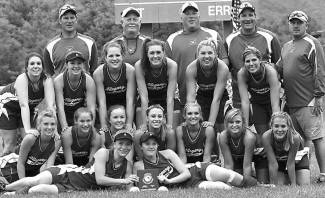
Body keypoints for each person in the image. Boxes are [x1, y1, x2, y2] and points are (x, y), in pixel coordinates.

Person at [0, 129, 138, 195]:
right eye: (121, 143)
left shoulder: (128, 164)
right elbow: (100, 179)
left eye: (127, 144)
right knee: (34, 181)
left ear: (131, 146)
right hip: (68, 173)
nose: (124, 147)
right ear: (114, 143)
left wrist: (133, 187)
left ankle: (15, 193)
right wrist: (123, 181)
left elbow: (128, 185)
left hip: (75, 188)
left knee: (35, 190)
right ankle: (4, 188)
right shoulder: (104, 153)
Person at [276, 10, 325, 182]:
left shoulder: (312, 43)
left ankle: (323, 174)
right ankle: (299, 173)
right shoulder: (286, 46)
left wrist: (319, 96)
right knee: (297, 140)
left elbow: (320, 70)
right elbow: (279, 68)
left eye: (299, 22)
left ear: (306, 25)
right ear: (289, 24)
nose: (296, 25)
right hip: (291, 102)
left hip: (309, 100)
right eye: (293, 22)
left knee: (316, 137)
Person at [166, 1, 228, 123]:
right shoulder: (172, 39)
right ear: (181, 17)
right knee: (192, 131)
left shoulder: (213, 35)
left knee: (218, 130)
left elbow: (224, 60)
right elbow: (167, 68)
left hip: (214, 93)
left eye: (194, 13)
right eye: (187, 13)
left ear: (199, 16)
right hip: (185, 96)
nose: (191, 16)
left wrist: (209, 77)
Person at [131, 132, 258, 191]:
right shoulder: (139, 165)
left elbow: (186, 173)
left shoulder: (168, 153)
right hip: (189, 184)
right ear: (141, 146)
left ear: (158, 145)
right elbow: (145, 186)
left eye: (154, 143)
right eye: (147, 144)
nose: (151, 146)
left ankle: (258, 185)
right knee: (223, 188)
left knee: (229, 175)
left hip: (197, 169)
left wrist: (169, 180)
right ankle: (241, 190)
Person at [225, 2, 281, 108]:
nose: (247, 19)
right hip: (239, 98)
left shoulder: (270, 37)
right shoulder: (229, 40)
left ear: (255, 16)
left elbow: (279, 67)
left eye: (250, 15)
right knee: (244, 124)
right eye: (244, 15)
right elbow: (225, 68)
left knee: (268, 124)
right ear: (238, 18)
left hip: (267, 97)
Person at [0, 52, 55, 156]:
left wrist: (55, 130)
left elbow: (50, 106)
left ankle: (24, 169)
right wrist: (27, 129)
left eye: (38, 63)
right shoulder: (22, 79)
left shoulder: (46, 80)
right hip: (7, 107)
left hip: (27, 110)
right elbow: (23, 105)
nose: (35, 66)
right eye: (32, 63)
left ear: (42, 67)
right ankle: (5, 169)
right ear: (27, 67)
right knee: (9, 145)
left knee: (30, 141)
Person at [0, 109, 61, 183]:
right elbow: (20, 163)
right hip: (11, 167)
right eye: (45, 124)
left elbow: (49, 165)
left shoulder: (57, 141)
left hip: (30, 171)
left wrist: (45, 181)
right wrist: (22, 183)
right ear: (39, 125)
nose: (49, 127)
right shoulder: (31, 138)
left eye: (52, 124)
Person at [238, 46, 280, 145]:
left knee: (276, 131)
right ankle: (265, 158)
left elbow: (275, 103)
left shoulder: (270, 71)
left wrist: (276, 121)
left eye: (254, 60)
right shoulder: (242, 73)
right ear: (244, 63)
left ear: (260, 60)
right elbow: (245, 101)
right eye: (247, 61)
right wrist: (246, 125)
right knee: (263, 136)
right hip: (258, 104)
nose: (251, 64)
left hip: (272, 102)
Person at [44, 3, 98, 77]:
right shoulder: (50, 45)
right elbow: (49, 75)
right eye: (66, 18)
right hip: (59, 88)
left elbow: (94, 72)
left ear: (76, 19)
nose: (69, 21)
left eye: (72, 18)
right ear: (60, 20)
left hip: (85, 87)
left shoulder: (90, 42)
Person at [186, 38, 229, 130]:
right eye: (203, 53)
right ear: (197, 55)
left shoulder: (222, 68)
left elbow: (216, 99)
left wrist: (211, 123)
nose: (206, 56)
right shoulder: (191, 68)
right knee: (201, 125)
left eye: (210, 53)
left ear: (216, 55)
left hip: (220, 96)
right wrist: (190, 115)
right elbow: (191, 96)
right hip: (203, 95)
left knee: (220, 125)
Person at [93, 41, 136, 131]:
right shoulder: (99, 73)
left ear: (122, 56)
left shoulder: (130, 70)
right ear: (105, 57)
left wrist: (128, 123)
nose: (114, 58)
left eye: (117, 55)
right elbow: (101, 102)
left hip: (125, 106)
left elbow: (130, 100)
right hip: (108, 107)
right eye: (111, 56)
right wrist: (104, 125)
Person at [135, 38, 177, 128]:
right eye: (151, 53)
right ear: (147, 54)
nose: (155, 56)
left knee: (173, 124)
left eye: (158, 52)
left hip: (165, 98)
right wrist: (144, 124)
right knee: (140, 120)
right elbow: (144, 97)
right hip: (149, 98)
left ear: (163, 53)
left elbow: (170, 98)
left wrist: (169, 124)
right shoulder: (139, 66)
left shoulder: (171, 65)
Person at [219, 108, 268, 183]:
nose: (234, 125)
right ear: (226, 123)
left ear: (243, 123)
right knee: (236, 180)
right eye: (231, 122)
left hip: (260, 156)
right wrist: (228, 182)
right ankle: (252, 174)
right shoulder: (223, 136)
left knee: (260, 182)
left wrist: (246, 182)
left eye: (238, 122)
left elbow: (247, 165)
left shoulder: (249, 137)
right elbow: (228, 164)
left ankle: (255, 175)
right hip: (239, 157)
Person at [262, 112, 310, 185]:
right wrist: (273, 185)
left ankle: (292, 175)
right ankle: (285, 175)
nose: (280, 130)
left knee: (304, 183)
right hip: (279, 160)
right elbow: (273, 163)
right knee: (279, 183)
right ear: (271, 126)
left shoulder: (295, 138)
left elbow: (291, 163)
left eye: (283, 126)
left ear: (288, 127)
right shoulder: (266, 136)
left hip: (297, 160)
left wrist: (293, 185)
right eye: (276, 126)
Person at [54, 50, 96, 129]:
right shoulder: (59, 81)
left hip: (80, 115)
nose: (76, 66)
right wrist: (64, 128)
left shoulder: (89, 81)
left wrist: (90, 128)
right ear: (66, 65)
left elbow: (91, 108)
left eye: (79, 63)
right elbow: (60, 107)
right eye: (72, 63)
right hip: (63, 115)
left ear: (83, 65)